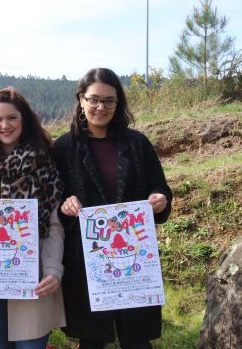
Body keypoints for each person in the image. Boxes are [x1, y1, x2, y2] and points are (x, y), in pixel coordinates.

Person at [53, 68, 172, 349]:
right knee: (91, 339)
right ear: (81, 99)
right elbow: (53, 199)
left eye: (109, 100)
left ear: (118, 104)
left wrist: (159, 199)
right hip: (86, 260)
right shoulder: (63, 148)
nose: (100, 107)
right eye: (94, 99)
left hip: (134, 258)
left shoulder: (137, 143)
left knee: (137, 339)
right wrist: (64, 204)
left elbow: (160, 187)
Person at [0, 88, 66, 348]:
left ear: (24, 119)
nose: (5, 125)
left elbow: (55, 224)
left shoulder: (45, 164)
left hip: (33, 272)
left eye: (12, 118)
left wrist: (52, 269)